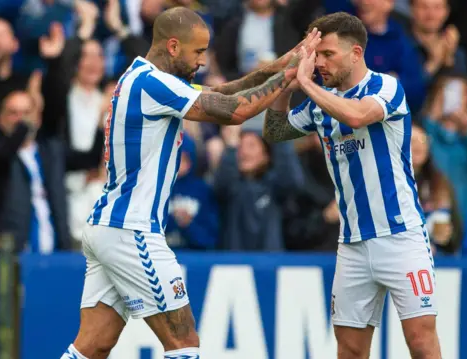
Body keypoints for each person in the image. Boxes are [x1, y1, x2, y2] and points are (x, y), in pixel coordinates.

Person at [61, 6, 322, 359]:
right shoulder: (153, 84)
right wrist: (290, 76)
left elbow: (221, 91)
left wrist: (276, 66)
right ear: (172, 46)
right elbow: (234, 111)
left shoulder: (141, 77)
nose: (202, 59)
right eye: (198, 51)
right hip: (132, 230)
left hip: (108, 226)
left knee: (92, 347)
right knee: (184, 345)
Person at [263, 12, 441, 359]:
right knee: (350, 350)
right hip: (352, 244)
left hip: (401, 236)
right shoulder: (319, 104)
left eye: (328, 54)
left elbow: (357, 116)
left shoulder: (385, 87)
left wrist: (309, 86)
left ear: (356, 53)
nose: (320, 63)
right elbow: (275, 131)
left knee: (421, 343)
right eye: (317, 55)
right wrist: (287, 84)